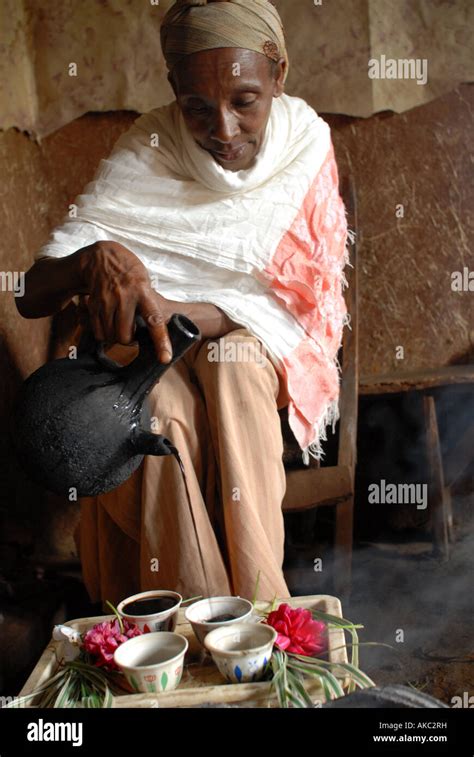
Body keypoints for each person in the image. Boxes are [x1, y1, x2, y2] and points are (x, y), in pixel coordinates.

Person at [16, 0, 349, 605]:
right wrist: (92, 260)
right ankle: (200, 625)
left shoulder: (305, 143)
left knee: (238, 373)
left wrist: (181, 310)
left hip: (247, 340)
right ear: (173, 90)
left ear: (279, 75)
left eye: (244, 100)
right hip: (146, 348)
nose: (222, 129)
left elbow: (285, 298)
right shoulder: (150, 141)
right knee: (157, 413)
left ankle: (263, 610)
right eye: (197, 105)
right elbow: (30, 295)